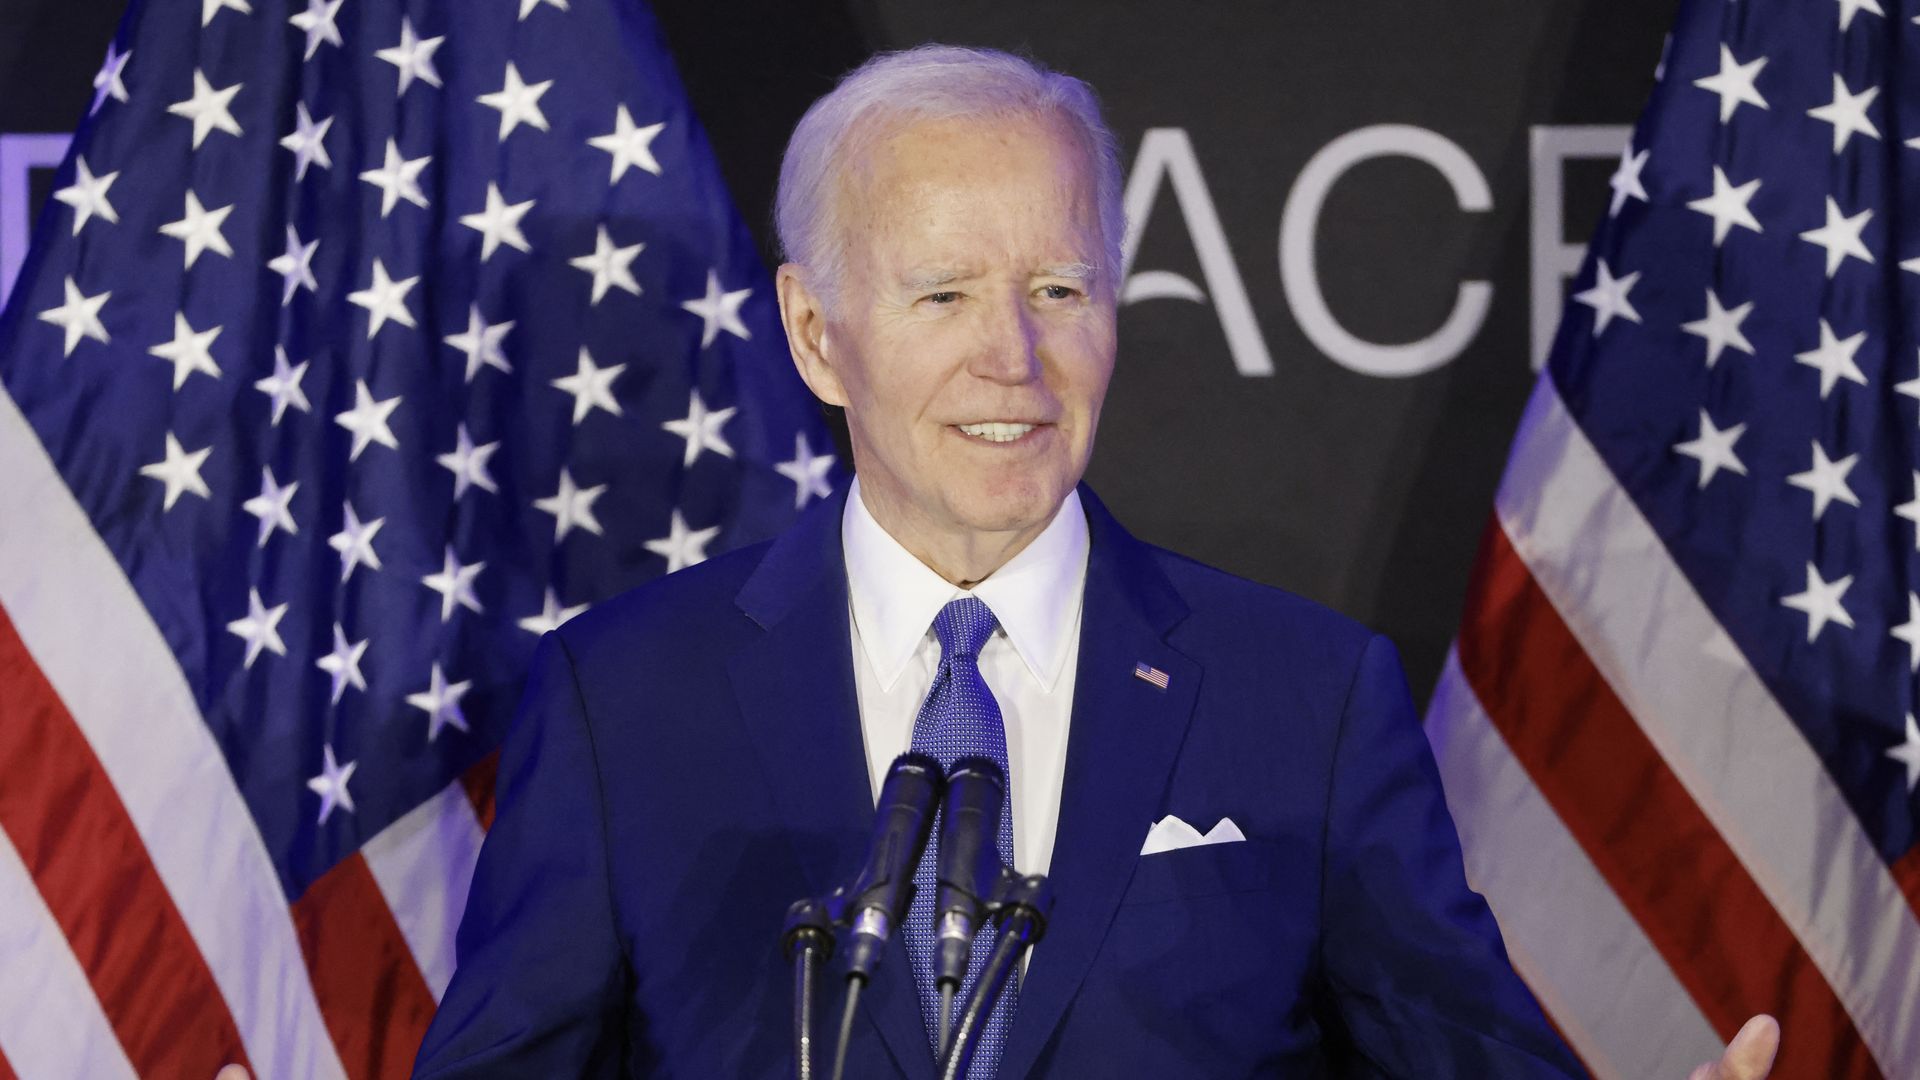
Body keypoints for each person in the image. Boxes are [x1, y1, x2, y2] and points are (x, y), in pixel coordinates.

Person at [412, 45, 1779, 1078]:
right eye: (942, 294)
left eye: (1058, 290)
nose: (1013, 358)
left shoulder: (1304, 696)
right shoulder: (623, 698)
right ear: (818, 334)